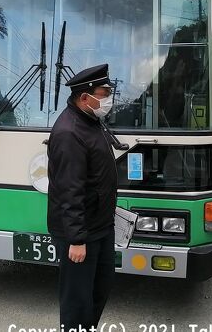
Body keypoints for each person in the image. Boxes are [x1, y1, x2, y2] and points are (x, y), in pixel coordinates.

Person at [47, 63, 118, 331]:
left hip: (99, 225)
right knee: (77, 299)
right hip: (80, 232)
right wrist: (76, 239)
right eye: (104, 92)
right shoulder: (69, 132)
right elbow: (69, 190)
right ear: (85, 97)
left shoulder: (90, 122)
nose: (108, 98)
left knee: (100, 288)